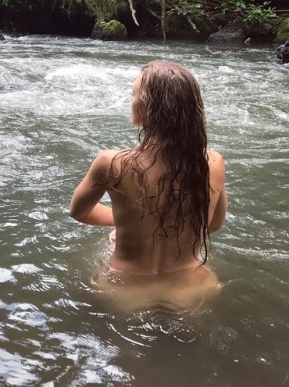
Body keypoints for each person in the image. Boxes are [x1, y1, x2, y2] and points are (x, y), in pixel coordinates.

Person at [69, 60, 227, 312]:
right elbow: (213, 224)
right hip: (193, 286)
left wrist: (127, 223)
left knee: (128, 350)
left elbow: (78, 212)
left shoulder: (111, 163)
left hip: (125, 288)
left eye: (133, 94)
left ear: (146, 108)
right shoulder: (213, 163)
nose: (130, 100)